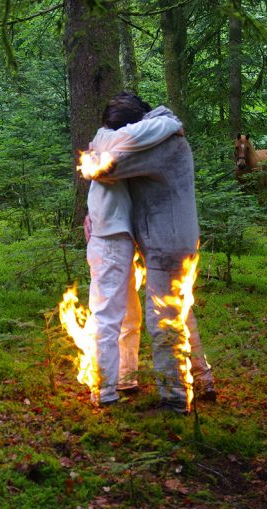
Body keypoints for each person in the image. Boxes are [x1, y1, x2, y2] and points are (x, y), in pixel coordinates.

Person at [84, 92, 216, 413]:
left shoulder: (158, 142)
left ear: (130, 128)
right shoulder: (161, 135)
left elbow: (107, 167)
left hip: (167, 243)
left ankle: (174, 399)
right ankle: (202, 378)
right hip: (170, 240)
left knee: (163, 319)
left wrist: (97, 147)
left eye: (120, 132)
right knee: (178, 311)